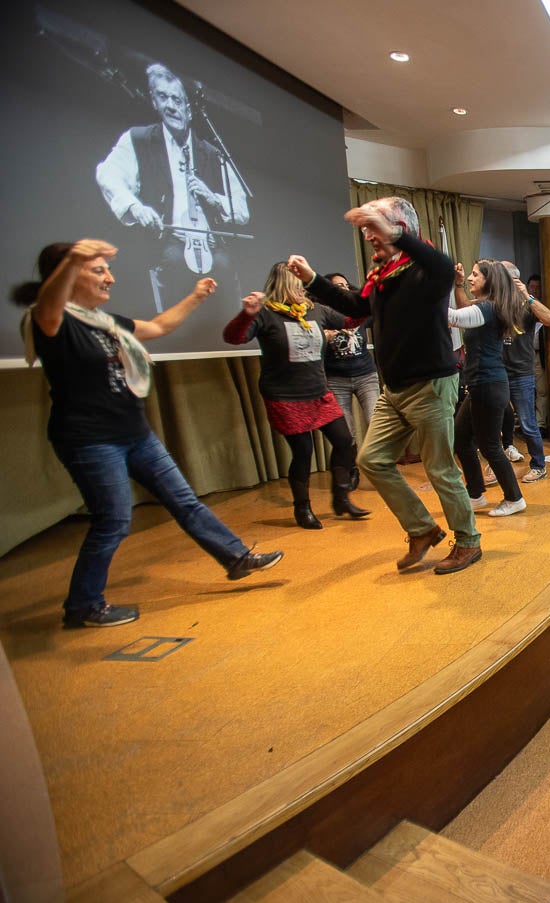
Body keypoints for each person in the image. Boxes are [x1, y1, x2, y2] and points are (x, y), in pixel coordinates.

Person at [13, 240, 281, 627]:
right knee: (114, 520)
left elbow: (158, 326)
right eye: (98, 270)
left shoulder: (103, 321)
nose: (110, 277)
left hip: (135, 432)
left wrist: (195, 296)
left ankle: (235, 557)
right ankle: (83, 606)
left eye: (107, 269)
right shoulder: (51, 320)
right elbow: (50, 306)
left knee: (184, 501)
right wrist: (73, 258)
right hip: (90, 439)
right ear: (67, 274)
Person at [288, 196, 478, 574]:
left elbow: (441, 265)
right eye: (367, 225)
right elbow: (357, 307)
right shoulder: (382, 274)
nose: (366, 232)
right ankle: (422, 529)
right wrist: (312, 279)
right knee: (371, 459)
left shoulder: (427, 269)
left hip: (431, 385)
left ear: (400, 228)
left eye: (375, 224)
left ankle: (469, 541)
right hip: (395, 390)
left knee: (439, 468)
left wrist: (392, 233)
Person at [223, 263, 368, 529]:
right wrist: (246, 314)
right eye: (298, 281)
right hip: (285, 396)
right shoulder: (265, 314)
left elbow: (351, 321)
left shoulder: (316, 310)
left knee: (345, 441)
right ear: (284, 283)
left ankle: (341, 497)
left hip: (317, 392)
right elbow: (234, 338)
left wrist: (368, 300)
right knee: (303, 452)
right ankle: (303, 508)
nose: (303, 286)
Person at [95, 63, 249, 310]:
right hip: (168, 243)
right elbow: (108, 175)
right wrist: (136, 207)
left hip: (212, 246)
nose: (170, 106)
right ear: (154, 102)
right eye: (162, 97)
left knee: (225, 267)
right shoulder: (139, 139)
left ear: (188, 108)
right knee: (173, 262)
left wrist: (214, 199)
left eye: (177, 99)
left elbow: (242, 210)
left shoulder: (212, 153)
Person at [449, 260, 528, 518]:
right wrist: (458, 283)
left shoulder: (488, 308)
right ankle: (475, 494)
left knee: (490, 446)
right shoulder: (486, 307)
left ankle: (514, 498)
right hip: (481, 385)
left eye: (475, 275)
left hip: (488, 385)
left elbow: (453, 317)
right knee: (461, 438)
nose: (471, 278)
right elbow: (464, 311)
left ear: (489, 281)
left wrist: (423, 294)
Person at [486, 260, 550, 483]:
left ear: (513, 280)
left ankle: (539, 465)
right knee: (493, 420)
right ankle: (496, 464)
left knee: (527, 422)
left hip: (521, 373)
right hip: (497, 371)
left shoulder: (526, 304)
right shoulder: (494, 303)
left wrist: (528, 296)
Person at [321, 273, 380, 460]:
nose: (345, 289)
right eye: (339, 286)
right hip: (336, 379)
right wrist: (324, 336)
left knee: (375, 422)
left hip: (366, 376)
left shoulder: (358, 311)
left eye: (346, 285)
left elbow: (379, 316)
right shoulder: (323, 314)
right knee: (346, 432)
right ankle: (350, 467)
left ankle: (380, 464)